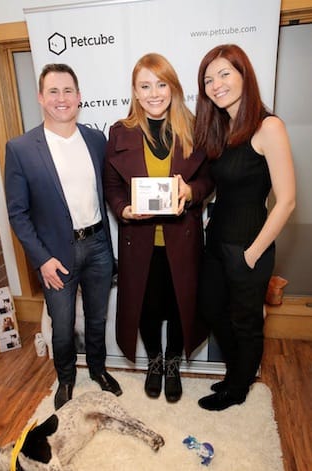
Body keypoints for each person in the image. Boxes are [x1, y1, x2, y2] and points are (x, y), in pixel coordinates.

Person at [5, 62, 120, 410]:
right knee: (63, 325)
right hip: (55, 255)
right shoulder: (21, 148)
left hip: (98, 245)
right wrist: (42, 259)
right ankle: (66, 379)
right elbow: (18, 214)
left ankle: (99, 369)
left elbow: (110, 189)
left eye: (68, 90)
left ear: (79, 96)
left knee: (98, 317)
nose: (61, 98)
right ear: (41, 98)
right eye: (53, 91)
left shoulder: (96, 140)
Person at [103, 53, 214, 402]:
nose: (154, 93)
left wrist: (191, 191)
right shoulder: (120, 132)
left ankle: (173, 364)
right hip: (140, 239)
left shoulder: (195, 128)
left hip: (182, 238)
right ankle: (154, 361)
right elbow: (111, 186)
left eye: (161, 84)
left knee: (182, 304)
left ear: (173, 88)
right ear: (135, 92)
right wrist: (123, 209)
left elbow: (209, 179)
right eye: (145, 85)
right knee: (147, 307)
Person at [194, 44, 295, 411]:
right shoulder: (224, 128)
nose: (216, 84)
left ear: (243, 75)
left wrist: (253, 253)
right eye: (208, 78)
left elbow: (286, 201)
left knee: (246, 322)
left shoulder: (269, 126)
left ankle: (237, 390)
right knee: (211, 307)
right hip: (218, 240)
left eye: (224, 74)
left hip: (248, 246)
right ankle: (237, 372)